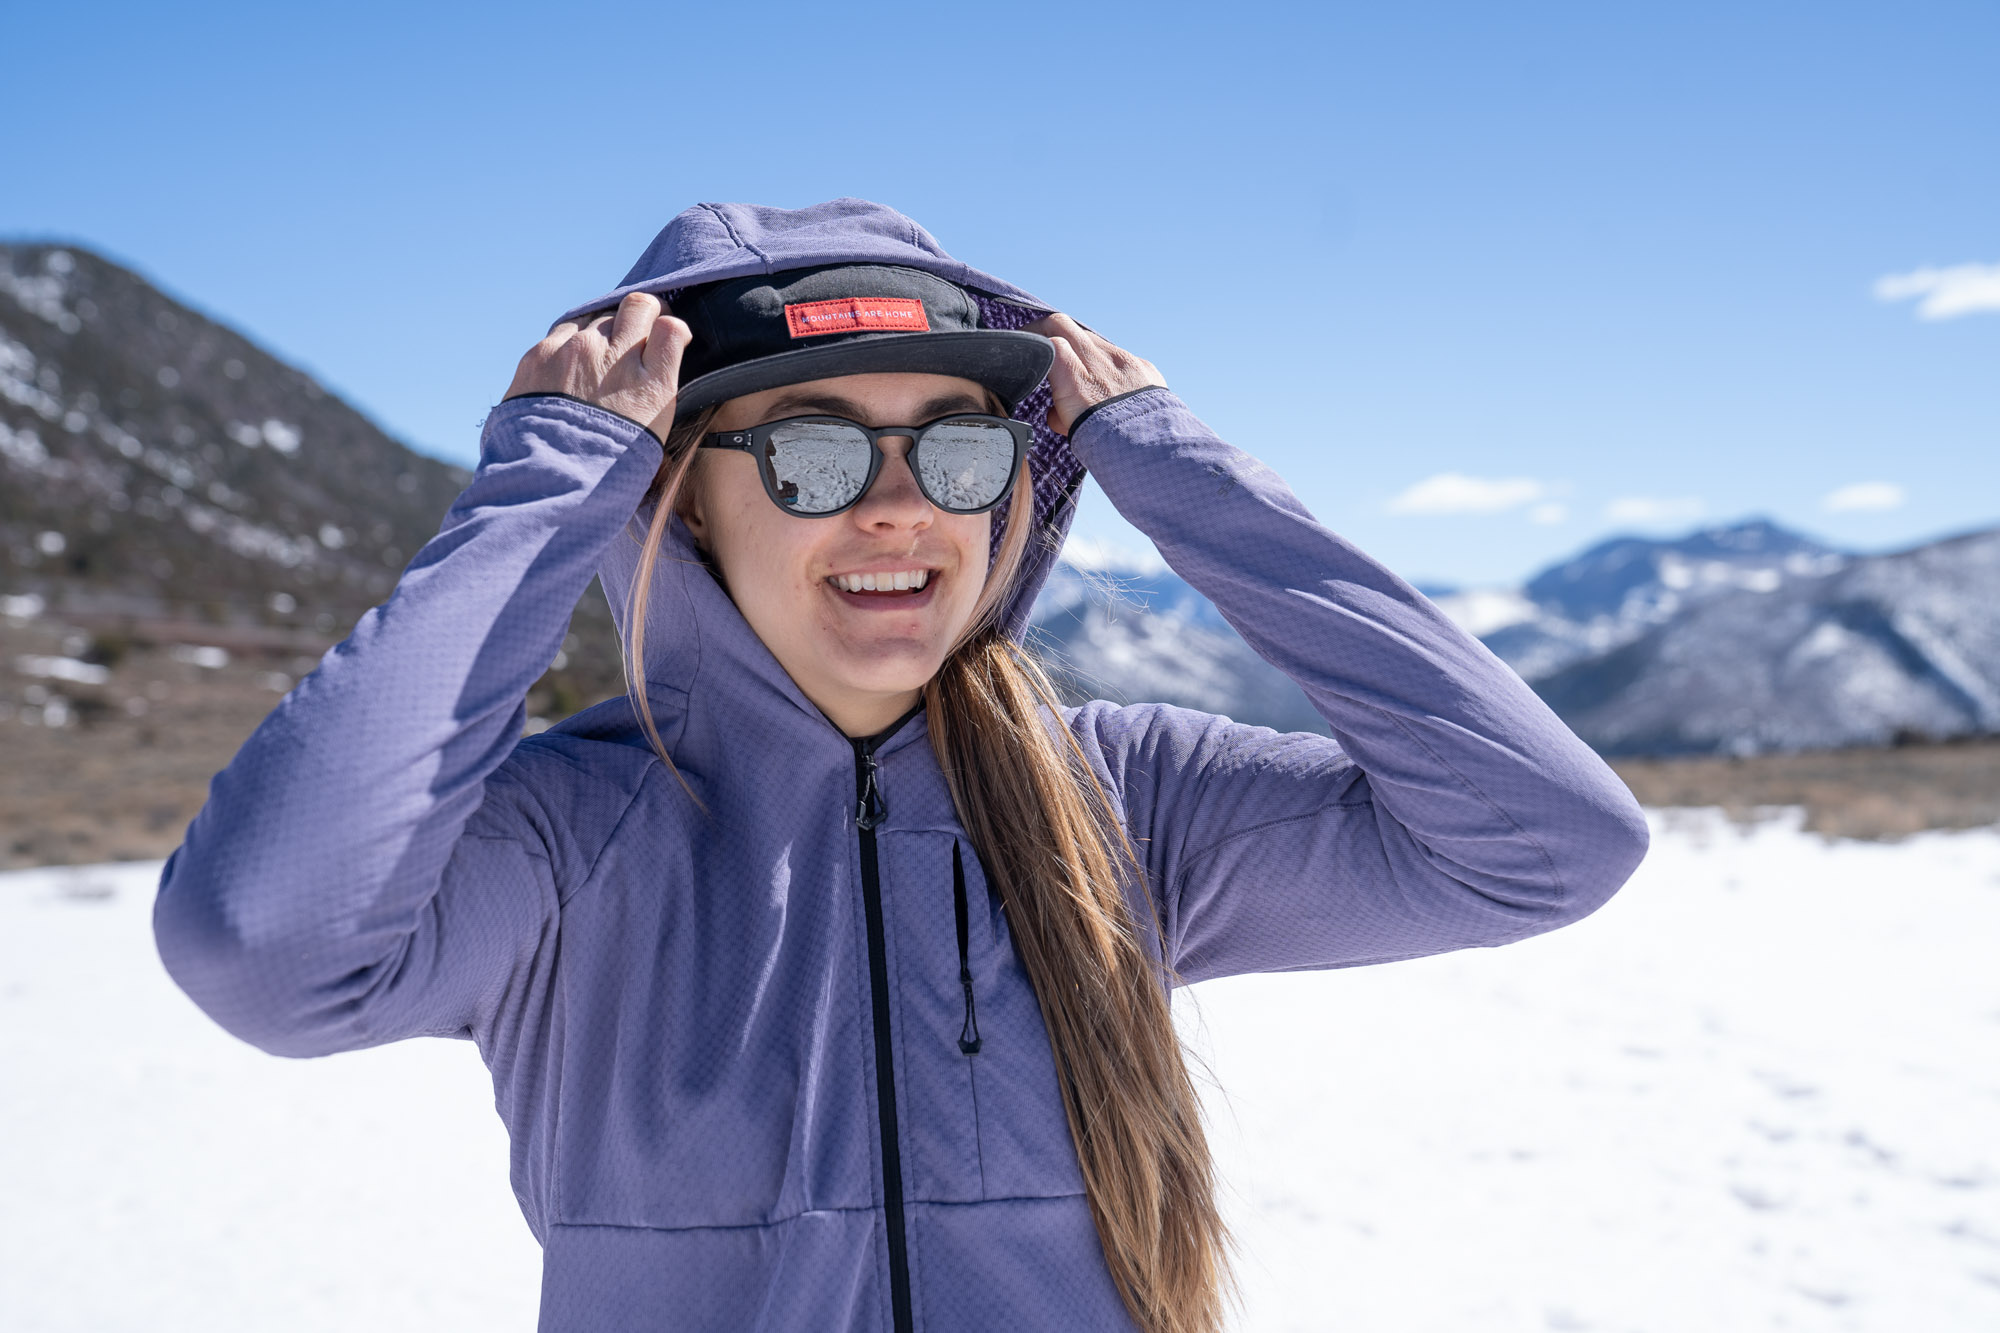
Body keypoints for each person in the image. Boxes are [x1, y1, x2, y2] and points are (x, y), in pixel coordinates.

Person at [154, 198, 1650, 1333]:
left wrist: (1169, 467)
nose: (899, 511)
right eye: (808, 456)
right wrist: (546, 485)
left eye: (958, 452)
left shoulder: (1124, 802)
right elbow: (267, 941)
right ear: (675, 503)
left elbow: (1549, 840)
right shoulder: (569, 836)